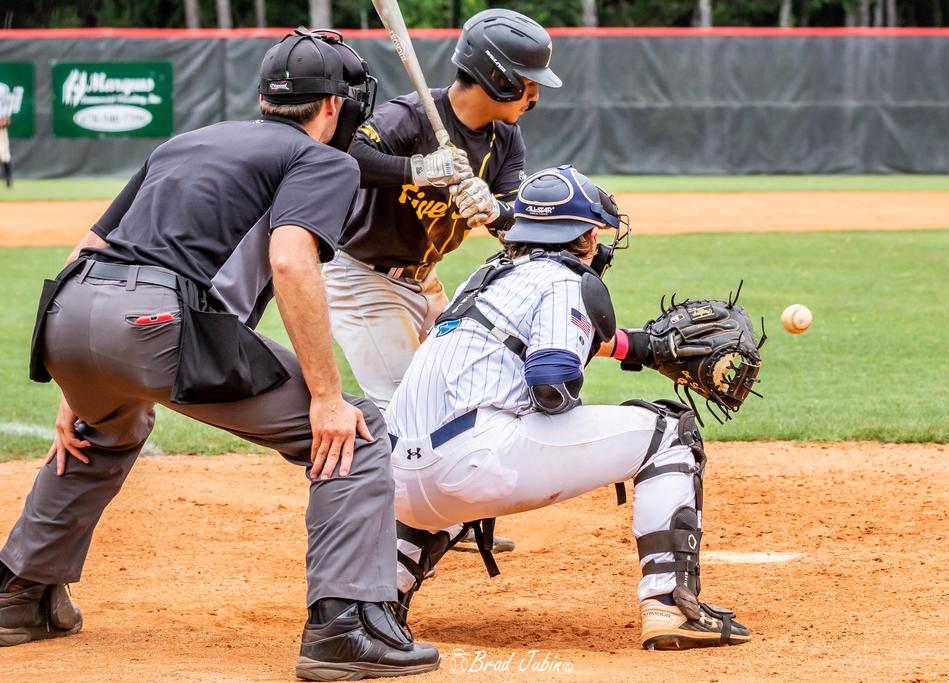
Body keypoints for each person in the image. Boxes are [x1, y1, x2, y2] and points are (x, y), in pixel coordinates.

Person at [0, 28, 439, 681]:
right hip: (157, 320)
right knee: (359, 433)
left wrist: (80, 384)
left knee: (110, 427)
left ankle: (18, 596)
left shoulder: (190, 139)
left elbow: (86, 250)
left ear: (266, 96)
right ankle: (342, 629)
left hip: (67, 313)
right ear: (335, 108)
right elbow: (291, 263)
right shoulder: (324, 159)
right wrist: (324, 398)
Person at [385, 166, 753, 650]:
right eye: (595, 232)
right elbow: (552, 383)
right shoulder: (565, 280)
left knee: (442, 461)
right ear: (583, 235)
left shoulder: (486, 277)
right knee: (667, 430)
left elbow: (530, 342)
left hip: (398, 483)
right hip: (478, 464)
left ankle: (379, 600)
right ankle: (671, 606)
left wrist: (640, 349)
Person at [324, 8, 562, 555]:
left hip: (426, 281)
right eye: (528, 84)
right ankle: (382, 534)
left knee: (462, 389)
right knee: (402, 407)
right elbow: (348, 156)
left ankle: (450, 513)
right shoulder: (409, 117)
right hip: (365, 277)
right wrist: (419, 170)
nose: (534, 97)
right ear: (499, 77)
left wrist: (496, 211)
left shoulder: (505, 139)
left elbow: (519, 218)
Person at [0, 80, 13, 188]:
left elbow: (8, 105)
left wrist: (7, 117)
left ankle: (8, 177)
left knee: (4, 152)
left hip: (0, 126)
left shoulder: (3, 88)